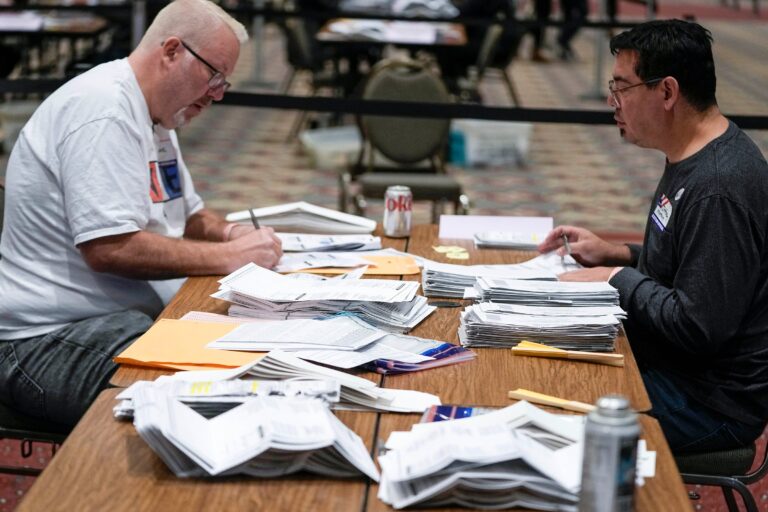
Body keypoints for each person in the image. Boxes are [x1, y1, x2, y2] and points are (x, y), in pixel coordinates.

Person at [0, 0, 282, 427]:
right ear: (171, 51)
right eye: (215, 75)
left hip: (112, 320)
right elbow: (109, 248)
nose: (219, 94)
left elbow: (188, 216)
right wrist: (231, 258)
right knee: (209, 403)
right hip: (44, 342)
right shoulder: (105, 111)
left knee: (248, 357)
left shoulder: (157, 116)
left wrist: (230, 233)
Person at [538, 20, 768, 453]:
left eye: (622, 88)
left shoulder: (718, 186)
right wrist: (620, 254)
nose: (612, 101)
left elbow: (699, 326)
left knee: (548, 414)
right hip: (677, 371)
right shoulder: (692, 156)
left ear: (666, 92)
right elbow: (697, 265)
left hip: (707, 402)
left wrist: (616, 279)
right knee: (539, 365)